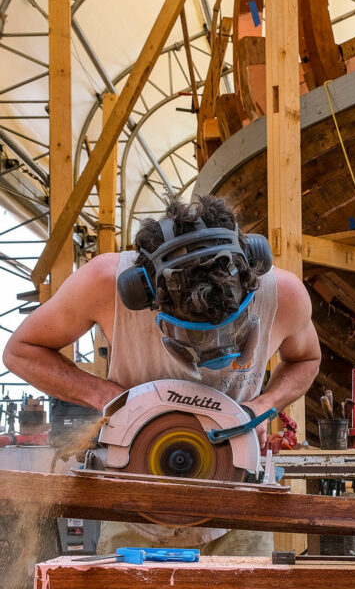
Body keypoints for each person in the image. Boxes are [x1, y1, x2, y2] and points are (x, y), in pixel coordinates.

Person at [3, 196, 321, 554]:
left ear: (251, 281)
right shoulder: (103, 283)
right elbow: (21, 351)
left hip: (238, 501)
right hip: (134, 498)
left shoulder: (284, 294)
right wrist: (107, 397)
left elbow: (306, 359)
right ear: (146, 296)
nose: (212, 356)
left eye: (229, 332)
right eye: (195, 336)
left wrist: (263, 405)